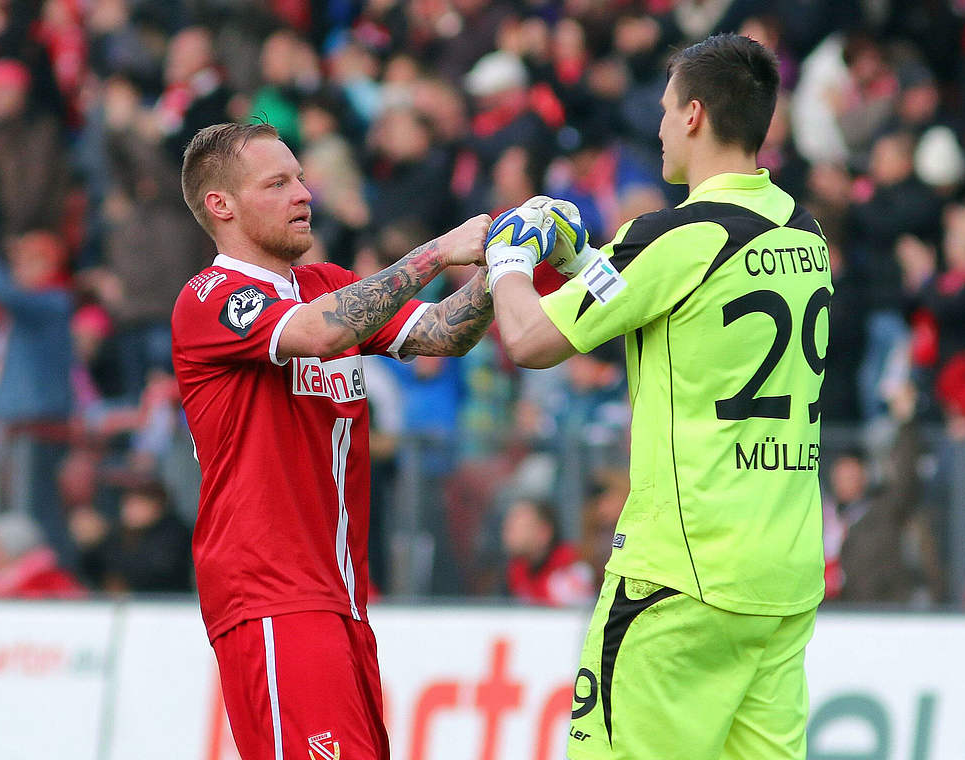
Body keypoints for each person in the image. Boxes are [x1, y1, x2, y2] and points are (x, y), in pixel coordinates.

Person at [485, 34, 830, 760]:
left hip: (679, 572)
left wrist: (510, 258)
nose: (661, 126)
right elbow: (683, 324)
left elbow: (529, 340)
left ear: (697, 115)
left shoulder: (673, 237)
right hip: (782, 573)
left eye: (668, 110)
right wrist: (587, 262)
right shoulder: (805, 231)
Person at [169, 122, 493, 760]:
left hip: (341, 599)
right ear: (221, 206)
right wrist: (441, 251)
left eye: (300, 178)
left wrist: (511, 263)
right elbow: (321, 335)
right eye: (278, 183)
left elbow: (441, 333)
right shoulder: (209, 298)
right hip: (271, 594)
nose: (303, 194)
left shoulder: (325, 286)